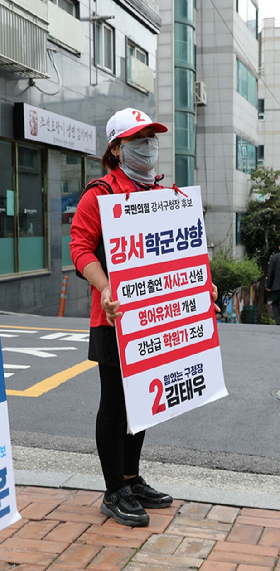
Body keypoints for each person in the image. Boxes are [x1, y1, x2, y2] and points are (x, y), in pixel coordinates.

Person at [69, 108, 218, 527]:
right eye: (139, 138)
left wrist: (202, 287)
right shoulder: (99, 194)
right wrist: (104, 287)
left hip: (157, 320)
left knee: (144, 404)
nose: (149, 145)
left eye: (152, 137)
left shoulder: (166, 195)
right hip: (115, 319)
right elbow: (79, 249)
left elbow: (187, 252)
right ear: (117, 148)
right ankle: (113, 489)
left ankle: (132, 480)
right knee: (115, 404)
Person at [266, 241, 280, 325]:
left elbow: (270, 272)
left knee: (275, 304)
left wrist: (269, 285)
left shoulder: (274, 258)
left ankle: (278, 322)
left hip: (276, 287)